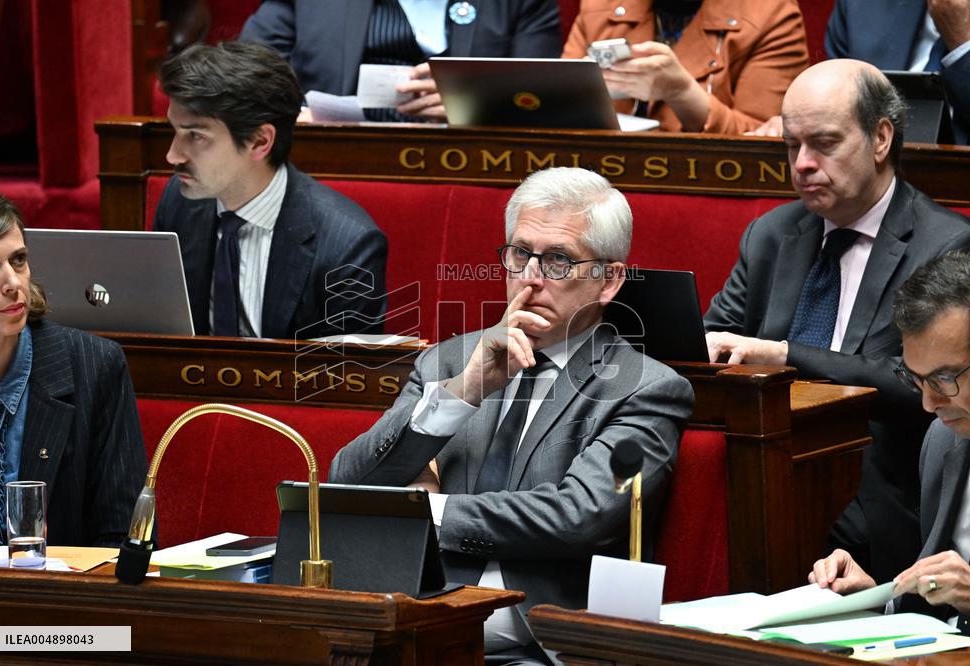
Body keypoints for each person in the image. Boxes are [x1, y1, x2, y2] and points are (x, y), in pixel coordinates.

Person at [329, 167, 694, 663]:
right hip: (412, 622)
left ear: (608, 280)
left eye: (559, 260)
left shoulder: (645, 387)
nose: (531, 278)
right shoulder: (450, 362)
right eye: (520, 253)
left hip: (538, 644)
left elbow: (580, 514)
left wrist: (428, 514)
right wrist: (463, 392)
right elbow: (347, 483)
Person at [703, 59, 970, 584]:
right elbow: (712, 346)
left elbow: (927, 387)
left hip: (873, 490)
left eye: (823, 143)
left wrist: (785, 356)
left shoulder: (945, 244)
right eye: (791, 145)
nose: (802, 163)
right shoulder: (771, 236)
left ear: (880, 138)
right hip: (762, 468)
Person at [153, 42, 388, 340]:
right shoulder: (180, 201)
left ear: (259, 141)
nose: (172, 156)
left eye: (196, 136)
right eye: (176, 131)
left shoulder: (347, 246)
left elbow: (348, 378)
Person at [0, 186, 146, 547]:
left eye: (18, 260)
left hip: (54, 598)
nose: (13, 283)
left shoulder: (94, 367)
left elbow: (123, 539)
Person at [810, 250, 970, 629]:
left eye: (944, 379)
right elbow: (943, 605)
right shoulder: (943, 443)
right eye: (915, 380)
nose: (929, 404)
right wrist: (875, 597)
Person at [240, 0, 563, 121]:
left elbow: (544, 97)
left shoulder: (524, 3)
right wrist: (291, 117)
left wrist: (476, 101)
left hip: (469, 160)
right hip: (332, 161)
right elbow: (247, 73)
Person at [561, 0, 809, 134]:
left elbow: (765, 141)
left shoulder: (771, 14)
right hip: (597, 176)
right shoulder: (599, 5)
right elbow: (556, 106)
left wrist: (681, 93)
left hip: (705, 183)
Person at [751, 0, 970, 142]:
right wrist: (804, 125)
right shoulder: (861, 6)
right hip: (869, 189)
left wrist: (962, 43)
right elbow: (839, 106)